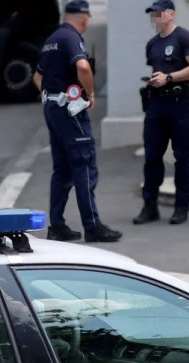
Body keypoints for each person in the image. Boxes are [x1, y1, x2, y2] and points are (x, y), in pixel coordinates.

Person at [32, 0, 122, 243]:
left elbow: (38, 76)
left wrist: (52, 97)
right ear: (83, 18)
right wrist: (89, 94)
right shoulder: (71, 38)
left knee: (62, 170)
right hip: (71, 112)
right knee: (84, 165)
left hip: (53, 109)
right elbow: (82, 66)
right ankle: (92, 226)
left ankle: (57, 226)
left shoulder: (52, 40)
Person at [133, 0, 189, 226]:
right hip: (156, 105)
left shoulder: (184, 37)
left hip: (180, 104)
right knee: (152, 156)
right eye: (152, 13)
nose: (154, 17)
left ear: (171, 14)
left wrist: (170, 78)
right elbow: (156, 70)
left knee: (181, 155)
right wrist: (155, 80)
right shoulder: (152, 44)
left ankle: (181, 207)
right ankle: (150, 206)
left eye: (158, 13)